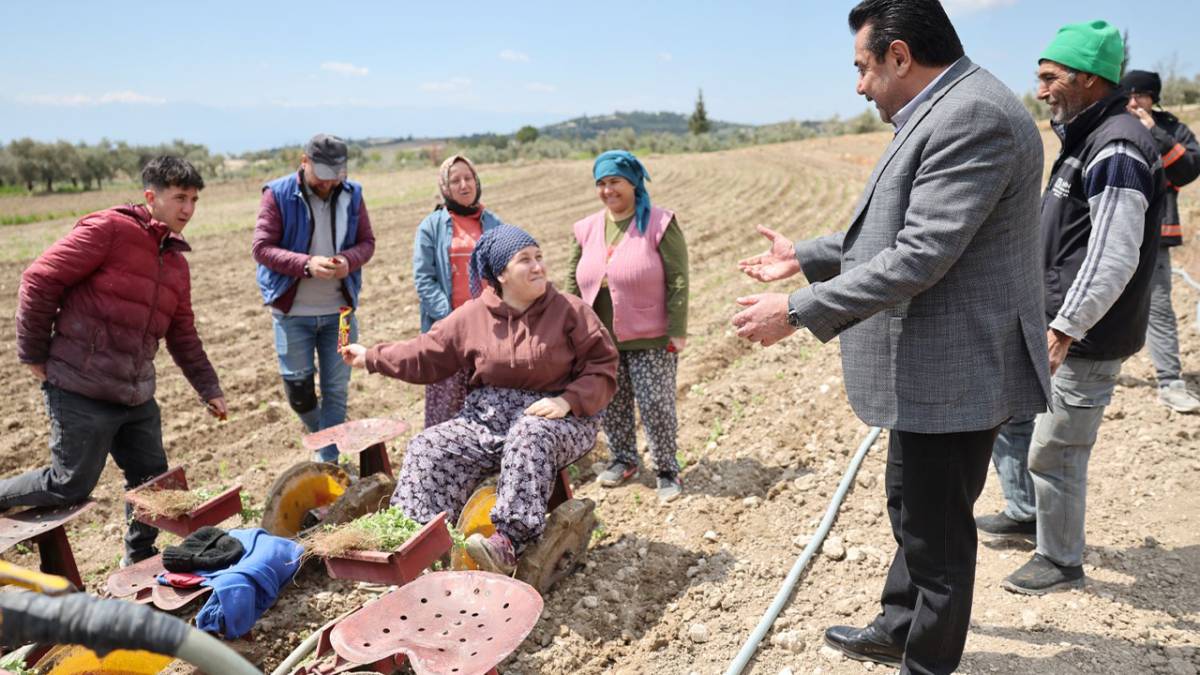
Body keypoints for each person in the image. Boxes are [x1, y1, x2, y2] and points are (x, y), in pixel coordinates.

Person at [731, 1, 1048, 672]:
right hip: (931, 365)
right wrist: (806, 255)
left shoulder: (975, 116)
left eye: (863, 67)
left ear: (900, 56)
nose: (859, 85)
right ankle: (900, 623)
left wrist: (796, 309)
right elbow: (892, 223)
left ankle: (926, 662)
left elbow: (918, 255)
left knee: (938, 534)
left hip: (958, 366)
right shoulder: (949, 104)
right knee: (910, 505)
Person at [976, 22, 1165, 597]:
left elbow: (1113, 254)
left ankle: (1060, 560)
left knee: (1056, 446)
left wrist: (1065, 327)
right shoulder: (1082, 140)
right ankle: (1027, 512)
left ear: (1088, 78)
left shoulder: (1116, 147)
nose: (1040, 89)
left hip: (1086, 334)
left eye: (1050, 77)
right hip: (1051, 321)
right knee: (1015, 421)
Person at [342, 225, 618, 574]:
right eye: (525, 260)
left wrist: (568, 401)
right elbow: (425, 354)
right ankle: (415, 543)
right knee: (429, 446)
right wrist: (371, 357)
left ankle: (508, 545)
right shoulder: (473, 316)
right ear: (500, 274)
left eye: (539, 257)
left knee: (529, 434)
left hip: (559, 419)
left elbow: (603, 365)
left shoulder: (570, 311)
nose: (538, 267)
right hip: (487, 419)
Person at [8, 156, 226, 566]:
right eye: (180, 197)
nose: (188, 209)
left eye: (194, 199)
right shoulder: (109, 230)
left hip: (135, 392)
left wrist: (209, 388)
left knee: (153, 484)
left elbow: (182, 334)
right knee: (68, 485)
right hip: (80, 387)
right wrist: (35, 353)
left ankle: (139, 558)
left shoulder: (176, 264)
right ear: (151, 197)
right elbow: (39, 278)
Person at [565, 150, 689, 502]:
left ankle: (667, 469)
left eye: (615, 181)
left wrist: (677, 329)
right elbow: (573, 282)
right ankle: (624, 459)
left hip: (651, 334)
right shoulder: (587, 228)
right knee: (613, 403)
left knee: (656, 404)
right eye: (601, 183)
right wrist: (569, 328)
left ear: (633, 183)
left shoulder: (660, 222)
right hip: (601, 338)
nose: (608, 190)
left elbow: (678, 278)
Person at [252, 134, 375, 462]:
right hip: (293, 314)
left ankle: (328, 464)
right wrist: (305, 265)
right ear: (304, 162)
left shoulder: (353, 193)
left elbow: (367, 243)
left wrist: (348, 261)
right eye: (322, 173)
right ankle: (328, 441)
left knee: (336, 391)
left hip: (341, 314)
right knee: (299, 393)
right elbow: (261, 248)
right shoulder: (276, 194)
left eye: (336, 174)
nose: (329, 181)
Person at [1122, 70, 1200, 413]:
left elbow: (1188, 169)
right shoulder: (1112, 125)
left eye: (1141, 95)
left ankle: (1170, 382)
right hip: (1107, 231)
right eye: (1129, 95)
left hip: (1155, 233)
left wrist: (1154, 133)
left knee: (1159, 308)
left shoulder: (1171, 129)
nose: (1134, 102)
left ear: (1154, 98)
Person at [413, 155, 507, 428]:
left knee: (490, 397)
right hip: (448, 329)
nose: (464, 185)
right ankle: (443, 460)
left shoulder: (493, 223)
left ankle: (488, 457)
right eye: (455, 180)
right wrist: (454, 319)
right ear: (445, 187)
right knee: (447, 402)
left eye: (469, 178)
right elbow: (424, 279)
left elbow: (507, 272)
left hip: (491, 328)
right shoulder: (431, 226)